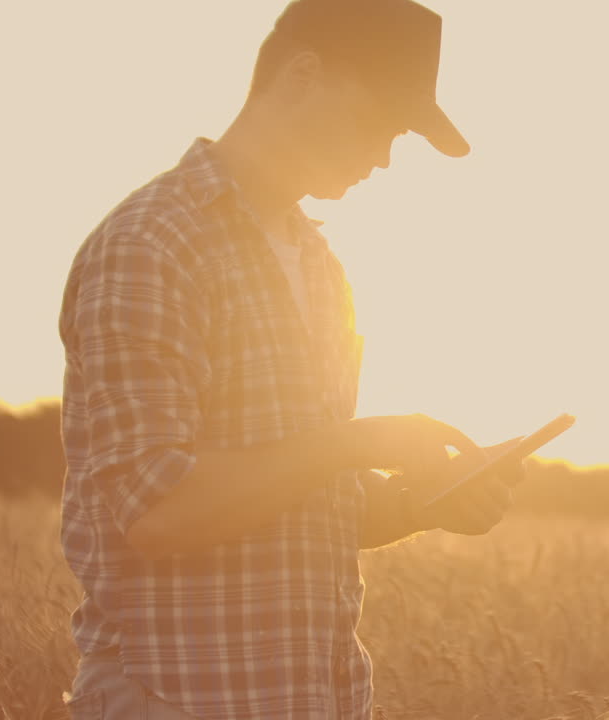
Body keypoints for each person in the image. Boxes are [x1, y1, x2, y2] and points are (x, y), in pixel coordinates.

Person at [57, 2, 515, 718]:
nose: (386, 156)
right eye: (383, 122)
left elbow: (303, 503)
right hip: (179, 700)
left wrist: (423, 506)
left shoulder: (319, 262)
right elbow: (158, 508)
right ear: (303, 75)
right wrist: (357, 442)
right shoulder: (152, 244)